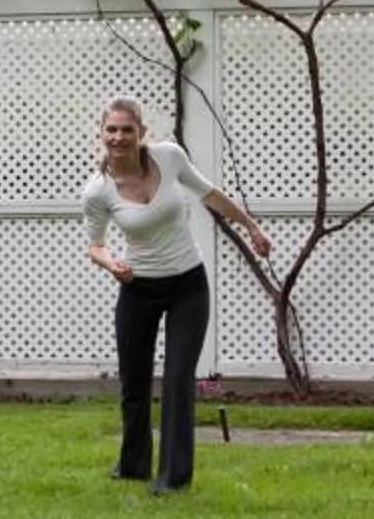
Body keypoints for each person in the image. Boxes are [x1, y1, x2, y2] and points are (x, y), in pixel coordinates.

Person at [79, 98, 273, 494]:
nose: (118, 137)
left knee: (178, 378)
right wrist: (112, 264)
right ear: (101, 133)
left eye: (127, 129)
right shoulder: (97, 191)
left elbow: (209, 194)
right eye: (111, 130)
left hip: (187, 285)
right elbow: (95, 246)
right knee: (134, 383)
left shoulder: (168, 157)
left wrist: (252, 226)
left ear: (141, 132)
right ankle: (133, 465)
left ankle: (172, 478)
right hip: (138, 288)